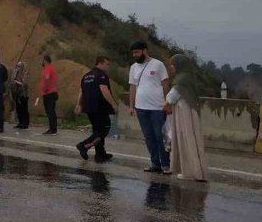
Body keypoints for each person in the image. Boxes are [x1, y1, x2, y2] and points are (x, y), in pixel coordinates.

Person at [128, 41, 171, 173]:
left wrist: (167, 103)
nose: (135, 55)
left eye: (137, 52)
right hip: (141, 107)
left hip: (157, 107)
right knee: (148, 137)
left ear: (144, 50)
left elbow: (165, 85)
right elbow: (132, 87)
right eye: (133, 53)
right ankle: (155, 163)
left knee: (160, 136)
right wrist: (131, 106)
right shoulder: (133, 67)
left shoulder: (158, 65)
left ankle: (166, 165)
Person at [165, 54, 208, 181]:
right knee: (192, 140)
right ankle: (195, 171)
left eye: (173, 64)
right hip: (189, 110)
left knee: (186, 140)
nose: (171, 67)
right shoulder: (189, 77)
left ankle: (190, 172)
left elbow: (172, 97)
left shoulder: (182, 79)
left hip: (184, 112)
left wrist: (165, 102)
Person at [75, 56, 119, 162]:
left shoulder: (86, 76)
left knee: (97, 130)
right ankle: (84, 145)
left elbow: (81, 92)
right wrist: (113, 104)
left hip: (89, 107)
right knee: (104, 129)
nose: (108, 67)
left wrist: (79, 105)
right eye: (107, 64)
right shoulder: (101, 75)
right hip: (100, 107)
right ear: (100, 63)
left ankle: (100, 154)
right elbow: (104, 90)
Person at [39, 55, 59, 135]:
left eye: (43, 60)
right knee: (52, 111)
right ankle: (53, 128)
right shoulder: (52, 68)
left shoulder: (47, 68)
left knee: (50, 111)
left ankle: (52, 129)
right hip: (52, 92)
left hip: (48, 93)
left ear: (45, 60)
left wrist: (46, 88)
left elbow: (47, 78)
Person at [11, 61, 30, 130]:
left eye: (19, 66)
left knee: (24, 109)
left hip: (24, 94)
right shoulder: (16, 74)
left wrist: (17, 82)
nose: (18, 68)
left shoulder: (25, 74)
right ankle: (20, 122)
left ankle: (25, 123)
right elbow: (12, 81)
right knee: (19, 109)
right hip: (18, 94)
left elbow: (24, 84)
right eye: (17, 66)